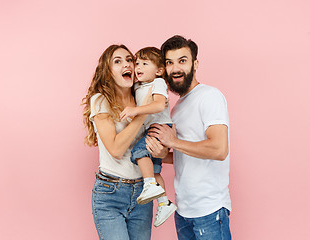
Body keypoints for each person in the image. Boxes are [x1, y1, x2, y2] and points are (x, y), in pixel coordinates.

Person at [146, 35, 232, 240]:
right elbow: (186, 153)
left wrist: (172, 142)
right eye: (169, 62)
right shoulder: (176, 108)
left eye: (182, 61)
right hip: (183, 210)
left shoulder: (209, 96)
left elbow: (219, 150)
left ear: (195, 64)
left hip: (209, 210)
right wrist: (163, 154)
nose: (175, 68)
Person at [82, 44, 153, 240]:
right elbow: (115, 148)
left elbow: (150, 149)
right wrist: (143, 113)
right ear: (108, 71)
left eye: (129, 60)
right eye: (118, 61)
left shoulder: (142, 97)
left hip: (143, 192)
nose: (126, 64)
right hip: (110, 193)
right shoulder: (100, 101)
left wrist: (163, 149)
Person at [120, 47, 177, 227]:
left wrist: (136, 110)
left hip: (159, 128)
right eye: (137, 63)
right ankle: (164, 203)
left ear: (159, 71)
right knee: (155, 170)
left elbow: (159, 105)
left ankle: (149, 184)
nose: (138, 67)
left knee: (138, 152)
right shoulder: (138, 86)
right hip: (150, 129)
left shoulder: (158, 83)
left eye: (145, 64)